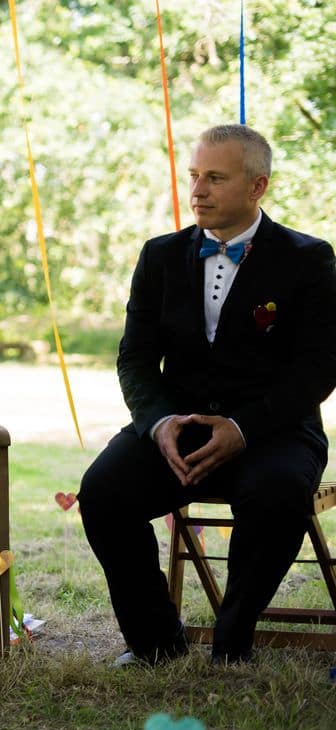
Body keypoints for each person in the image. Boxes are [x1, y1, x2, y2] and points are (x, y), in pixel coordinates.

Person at [78, 125, 336, 665]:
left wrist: (243, 429)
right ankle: (155, 642)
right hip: (179, 429)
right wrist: (158, 423)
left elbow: (317, 370)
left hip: (274, 432)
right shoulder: (160, 256)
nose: (198, 190)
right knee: (102, 491)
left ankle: (232, 641)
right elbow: (136, 359)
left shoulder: (308, 260)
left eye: (215, 178)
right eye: (194, 176)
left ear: (257, 186)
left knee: (278, 496)